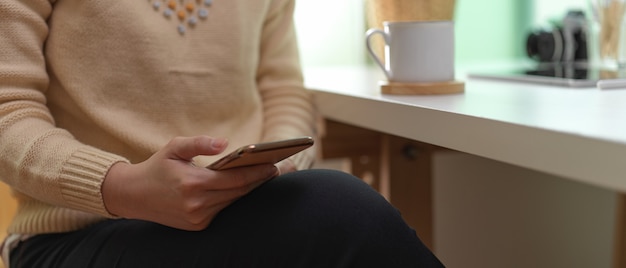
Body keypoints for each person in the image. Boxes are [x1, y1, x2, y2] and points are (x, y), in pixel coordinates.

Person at [0, 0, 445, 267]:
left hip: (237, 214)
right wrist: (122, 186)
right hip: (74, 234)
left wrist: (281, 164)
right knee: (344, 212)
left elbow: (282, 88)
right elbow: (8, 113)